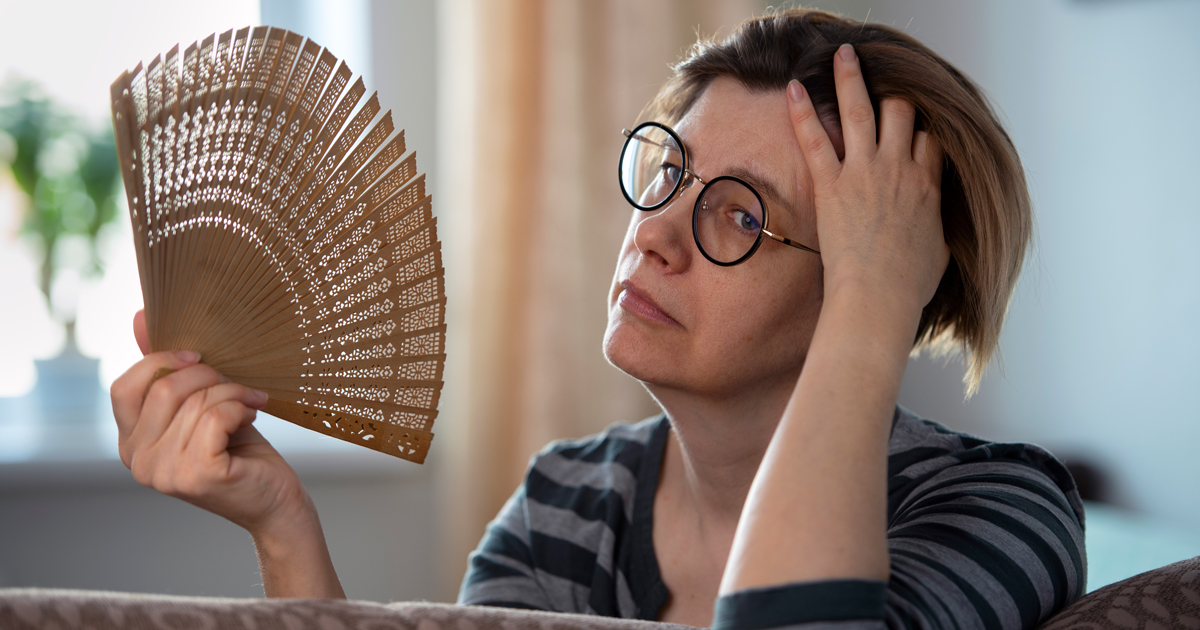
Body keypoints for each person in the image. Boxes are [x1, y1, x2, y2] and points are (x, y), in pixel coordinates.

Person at [110, 7, 1085, 630]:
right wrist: (283, 529)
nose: (654, 231)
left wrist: (874, 315)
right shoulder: (563, 509)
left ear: (881, 279)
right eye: (668, 173)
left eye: (741, 216)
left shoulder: (1000, 508)